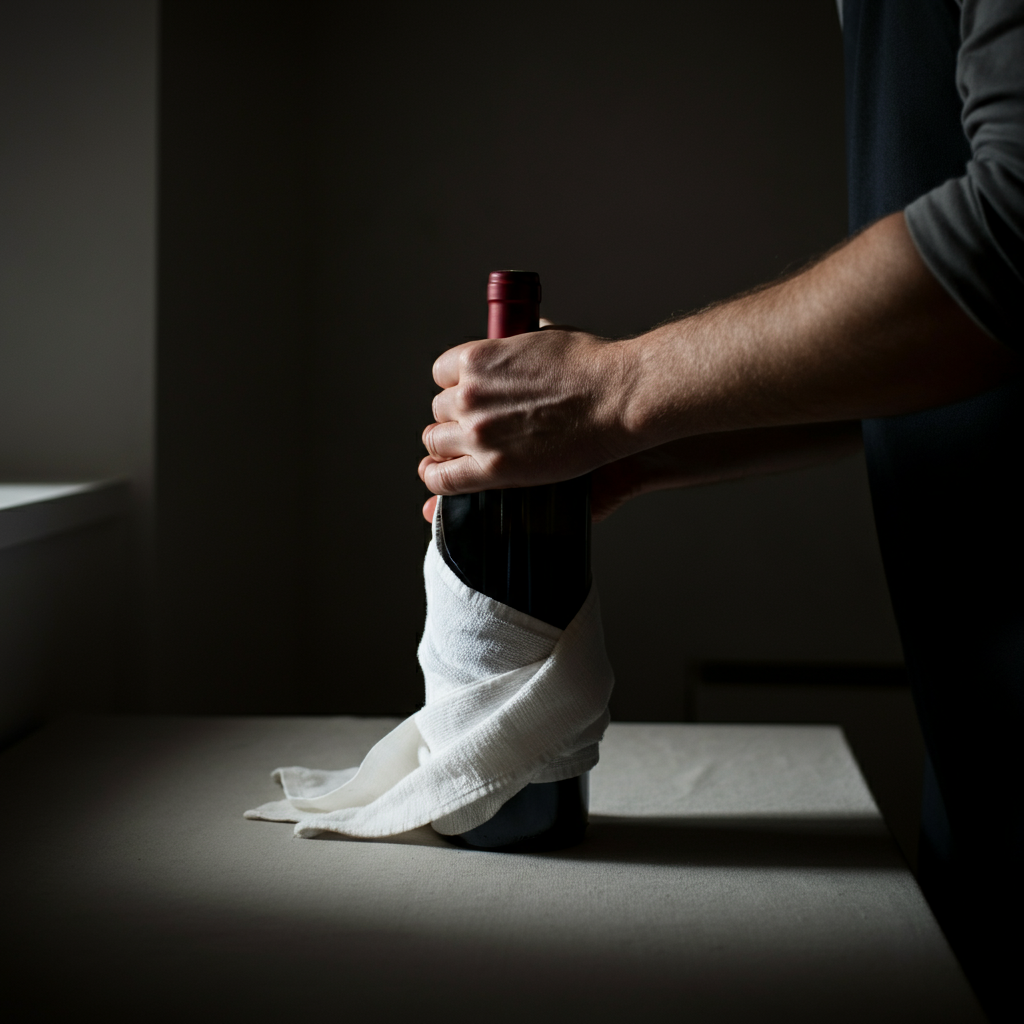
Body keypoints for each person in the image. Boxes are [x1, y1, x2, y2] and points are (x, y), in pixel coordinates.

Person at [419, 1, 1022, 1019]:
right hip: (979, 747)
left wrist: (614, 393)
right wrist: (633, 441)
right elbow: (965, 345)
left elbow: (1010, 234)